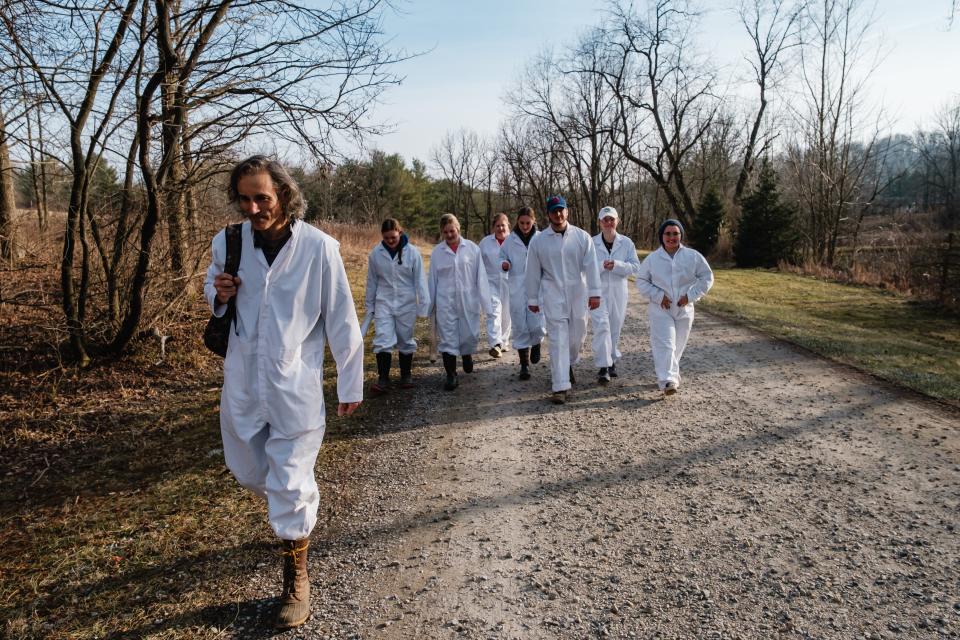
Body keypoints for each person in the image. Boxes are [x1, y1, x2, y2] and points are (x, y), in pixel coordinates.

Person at [203, 156, 363, 629]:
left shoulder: (319, 249)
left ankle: (296, 576)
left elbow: (342, 319)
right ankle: (290, 516)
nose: (253, 207)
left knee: (290, 480)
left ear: (284, 195)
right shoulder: (228, 242)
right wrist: (221, 294)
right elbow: (210, 296)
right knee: (249, 468)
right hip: (243, 383)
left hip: (295, 384)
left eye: (263, 197)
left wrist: (350, 382)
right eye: (245, 198)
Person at [525, 195, 608, 404]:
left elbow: (591, 267)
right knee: (558, 339)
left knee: (577, 335)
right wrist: (532, 299)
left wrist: (595, 293)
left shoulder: (582, 237)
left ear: (567, 211)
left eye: (561, 210)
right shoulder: (539, 241)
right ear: (548, 214)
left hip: (578, 291)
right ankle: (560, 385)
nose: (558, 214)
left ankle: (568, 362)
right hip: (552, 292)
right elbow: (533, 272)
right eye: (554, 211)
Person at [635, 219, 714, 396]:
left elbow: (707, 278)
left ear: (681, 235)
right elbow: (640, 281)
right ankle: (668, 380)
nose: (671, 237)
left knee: (677, 345)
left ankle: (670, 374)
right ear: (661, 236)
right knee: (666, 344)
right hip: (661, 309)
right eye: (667, 234)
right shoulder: (653, 259)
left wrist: (690, 296)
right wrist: (658, 296)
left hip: (684, 309)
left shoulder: (692, 256)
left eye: (675, 234)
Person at [364, 218, 430, 392]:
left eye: (393, 237)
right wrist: (369, 305)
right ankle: (383, 379)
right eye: (386, 238)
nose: (390, 241)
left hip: (406, 303)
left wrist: (424, 304)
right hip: (383, 302)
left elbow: (420, 281)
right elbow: (372, 281)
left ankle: (405, 375)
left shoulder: (413, 253)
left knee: (405, 339)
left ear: (400, 232)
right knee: (382, 339)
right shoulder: (375, 254)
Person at [429, 213, 493, 390]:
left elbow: (481, 278)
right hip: (445, 302)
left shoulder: (472, 249)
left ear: (458, 228)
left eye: (452, 230)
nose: (449, 235)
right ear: (442, 233)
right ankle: (451, 375)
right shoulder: (437, 253)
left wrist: (487, 305)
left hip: (468, 300)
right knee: (448, 339)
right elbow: (432, 281)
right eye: (445, 232)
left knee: (469, 335)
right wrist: (429, 306)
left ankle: (466, 355)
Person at [591, 206, 641, 380]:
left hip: (619, 292)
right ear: (600, 222)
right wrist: (602, 266)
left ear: (617, 221)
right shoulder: (591, 243)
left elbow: (636, 267)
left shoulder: (626, 243)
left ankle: (611, 360)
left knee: (614, 327)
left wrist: (618, 265)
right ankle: (603, 366)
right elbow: (585, 269)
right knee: (601, 327)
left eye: (611, 219)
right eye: (605, 220)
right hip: (598, 292)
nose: (608, 223)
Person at [499, 206, 546, 380]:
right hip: (517, 286)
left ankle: (537, 343)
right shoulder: (510, 241)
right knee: (519, 323)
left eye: (528, 222)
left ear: (533, 221)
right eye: (522, 223)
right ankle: (524, 365)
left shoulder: (541, 238)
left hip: (537, 285)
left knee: (537, 322)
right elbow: (501, 256)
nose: (525, 226)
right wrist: (504, 263)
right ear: (517, 222)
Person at [478, 212, 512, 358]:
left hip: (510, 282)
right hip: (490, 282)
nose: (500, 228)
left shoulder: (514, 241)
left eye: (503, 225)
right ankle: (495, 344)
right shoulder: (485, 243)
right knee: (493, 312)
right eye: (497, 226)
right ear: (493, 227)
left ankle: (503, 342)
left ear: (508, 226)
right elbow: (478, 263)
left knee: (507, 314)